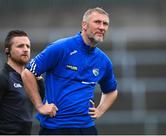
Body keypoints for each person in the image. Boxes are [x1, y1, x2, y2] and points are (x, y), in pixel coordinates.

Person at [21, 7, 118, 135]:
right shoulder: (61, 48)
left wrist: (100, 110)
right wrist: (39, 106)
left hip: (86, 128)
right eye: (97, 22)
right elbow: (27, 73)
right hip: (56, 127)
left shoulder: (103, 61)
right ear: (84, 25)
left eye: (105, 24)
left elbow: (111, 91)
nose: (102, 27)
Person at [0, 30, 44, 134]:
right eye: (20, 46)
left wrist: (41, 83)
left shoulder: (31, 78)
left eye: (28, 46)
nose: (25, 50)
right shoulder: (3, 77)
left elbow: (45, 103)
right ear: (7, 51)